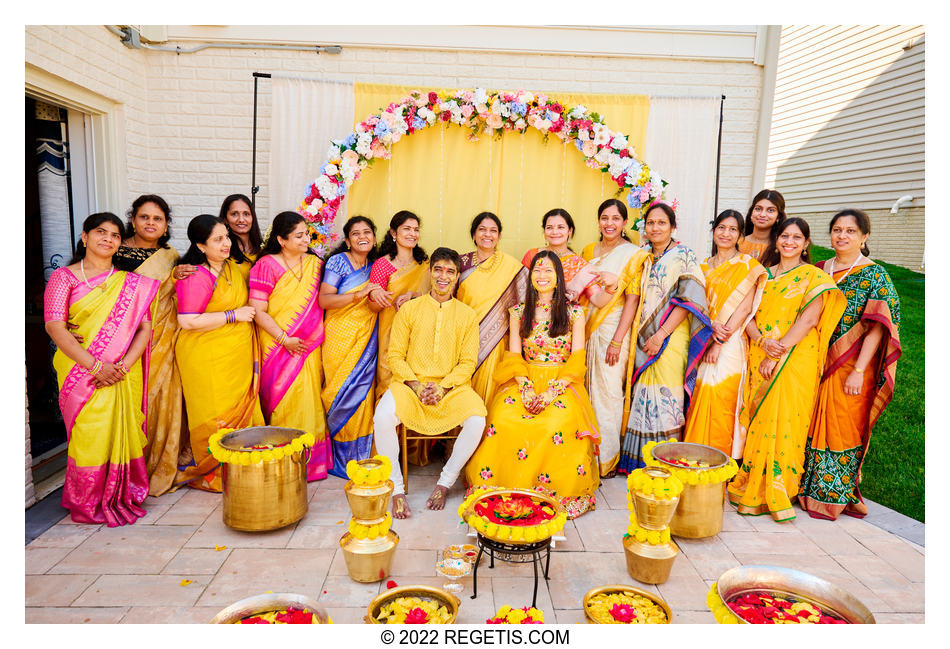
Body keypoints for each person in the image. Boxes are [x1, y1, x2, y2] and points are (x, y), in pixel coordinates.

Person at [464, 250, 600, 518]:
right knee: (503, 419)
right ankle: (504, 488)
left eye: (549, 270)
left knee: (554, 424)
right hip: (524, 378)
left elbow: (577, 359)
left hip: (563, 382)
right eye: (537, 270)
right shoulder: (518, 312)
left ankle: (551, 493)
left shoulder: (574, 314)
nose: (542, 275)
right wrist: (525, 389)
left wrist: (551, 392)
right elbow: (514, 355)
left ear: (559, 278)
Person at [44, 213, 159, 525]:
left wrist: (121, 366)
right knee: (89, 433)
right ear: (85, 237)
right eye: (101, 232)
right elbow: (55, 327)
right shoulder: (63, 278)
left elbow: (144, 329)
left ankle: (123, 491)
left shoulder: (132, 283)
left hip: (122, 371)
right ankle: (87, 497)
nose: (108, 239)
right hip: (81, 372)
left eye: (115, 235)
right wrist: (96, 365)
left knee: (124, 431)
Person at [727, 218, 845, 522]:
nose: (789, 242)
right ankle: (754, 483)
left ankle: (779, 489)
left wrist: (776, 351)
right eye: (784, 236)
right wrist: (762, 341)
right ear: (776, 240)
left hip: (795, 359)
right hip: (761, 353)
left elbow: (808, 320)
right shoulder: (763, 275)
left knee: (786, 422)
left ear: (806, 243)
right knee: (760, 421)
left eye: (797, 237)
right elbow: (747, 314)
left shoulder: (813, 276)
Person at [799, 210, 901, 520]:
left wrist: (858, 370)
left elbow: (879, 327)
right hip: (812, 361)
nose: (842, 236)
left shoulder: (875, 275)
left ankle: (833, 494)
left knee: (842, 428)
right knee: (806, 422)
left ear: (864, 237)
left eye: (851, 231)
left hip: (852, 366)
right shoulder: (818, 270)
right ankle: (802, 486)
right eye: (837, 230)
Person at [373, 248, 487, 519]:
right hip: (409, 385)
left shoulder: (467, 315)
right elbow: (395, 356)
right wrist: (415, 385)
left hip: (451, 387)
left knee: (477, 420)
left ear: (458, 276)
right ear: (430, 272)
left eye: (450, 271)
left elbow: (468, 362)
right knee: (382, 416)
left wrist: (443, 387)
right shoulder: (410, 310)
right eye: (438, 269)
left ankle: (445, 483)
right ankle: (397, 489)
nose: (443, 276)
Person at [618, 201, 713, 473]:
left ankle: (667, 461)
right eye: (651, 223)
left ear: (673, 227)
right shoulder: (642, 256)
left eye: (662, 223)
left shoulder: (683, 256)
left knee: (665, 396)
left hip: (669, 337)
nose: (655, 227)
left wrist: (660, 335)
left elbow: (689, 301)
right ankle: (639, 461)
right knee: (643, 394)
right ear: (644, 228)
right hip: (642, 336)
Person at [175, 214, 264, 492]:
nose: (226, 243)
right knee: (213, 413)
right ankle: (214, 473)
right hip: (205, 357)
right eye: (218, 239)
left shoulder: (230, 269)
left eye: (226, 237)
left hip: (234, 355)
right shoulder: (194, 275)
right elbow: (188, 321)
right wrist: (233, 315)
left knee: (240, 409)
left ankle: (244, 467)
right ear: (200, 246)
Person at [110, 194, 187, 496]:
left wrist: (177, 279)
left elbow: (180, 298)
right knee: (128, 402)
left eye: (157, 218)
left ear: (166, 224)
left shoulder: (171, 256)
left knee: (158, 399)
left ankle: (155, 463)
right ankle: (127, 469)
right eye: (145, 217)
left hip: (163, 339)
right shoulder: (116, 252)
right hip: (121, 339)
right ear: (133, 220)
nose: (151, 223)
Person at [249, 212, 331, 481]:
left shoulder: (315, 264)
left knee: (309, 401)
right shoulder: (266, 265)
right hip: (277, 346)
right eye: (299, 235)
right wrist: (284, 339)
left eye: (307, 234)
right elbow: (257, 310)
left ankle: (311, 463)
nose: (306, 238)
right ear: (282, 240)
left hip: (307, 346)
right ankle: (284, 460)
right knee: (282, 402)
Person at [683, 210, 767, 458]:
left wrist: (719, 341)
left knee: (722, 397)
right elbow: (696, 304)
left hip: (730, 341)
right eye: (721, 227)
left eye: (732, 229)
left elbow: (744, 308)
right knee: (699, 394)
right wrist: (709, 328)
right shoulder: (702, 267)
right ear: (713, 231)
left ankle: (720, 457)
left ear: (741, 235)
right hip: (703, 336)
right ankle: (694, 453)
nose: (726, 233)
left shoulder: (749, 266)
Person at [581, 199, 651, 477]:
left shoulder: (633, 255)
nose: (609, 223)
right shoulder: (588, 250)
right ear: (598, 221)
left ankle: (606, 459)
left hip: (613, 329)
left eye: (615, 218)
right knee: (584, 390)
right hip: (585, 327)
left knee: (608, 393)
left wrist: (617, 340)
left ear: (624, 223)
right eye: (604, 218)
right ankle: (584, 455)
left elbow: (632, 301)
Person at [369, 211, 431, 464]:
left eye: (416, 229)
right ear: (394, 233)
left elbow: (435, 297)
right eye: (406, 229)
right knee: (389, 384)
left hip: (419, 335)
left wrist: (415, 295)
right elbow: (372, 304)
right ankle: (387, 457)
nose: (412, 234)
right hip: (390, 332)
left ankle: (414, 453)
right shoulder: (382, 264)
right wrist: (378, 298)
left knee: (416, 383)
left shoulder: (424, 263)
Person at [456, 212, 528, 405]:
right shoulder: (459, 263)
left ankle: (489, 435)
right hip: (464, 341)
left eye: (493, 231)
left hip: (498, 341)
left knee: (492, 396)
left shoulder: (512, 266)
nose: (487, 235)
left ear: (499, 236)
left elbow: (529, 297)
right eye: (482, 229)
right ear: (473, 234)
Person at [522, 208, 618, 307]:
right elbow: (520, 290)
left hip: (562, 319)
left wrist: (612, 287)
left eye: (561, 227)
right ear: (544, 231)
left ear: (570, 231)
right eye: (549, 227)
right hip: (532, 315)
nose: (555, 232)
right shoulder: (533, 255)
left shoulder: (579, 265)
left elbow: (599, 301)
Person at [738, 189, 786, 261]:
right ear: (751, 212)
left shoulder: (781, 247)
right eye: (758, 209)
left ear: (778, 217)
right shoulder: (737, 243)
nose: (762, 215)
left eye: (770, 210)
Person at [220, 193, 264, 262]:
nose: (241, 220)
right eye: (234, 214)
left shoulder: (262, 247)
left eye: (246, 214)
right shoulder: (222, 248)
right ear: (225, 219)